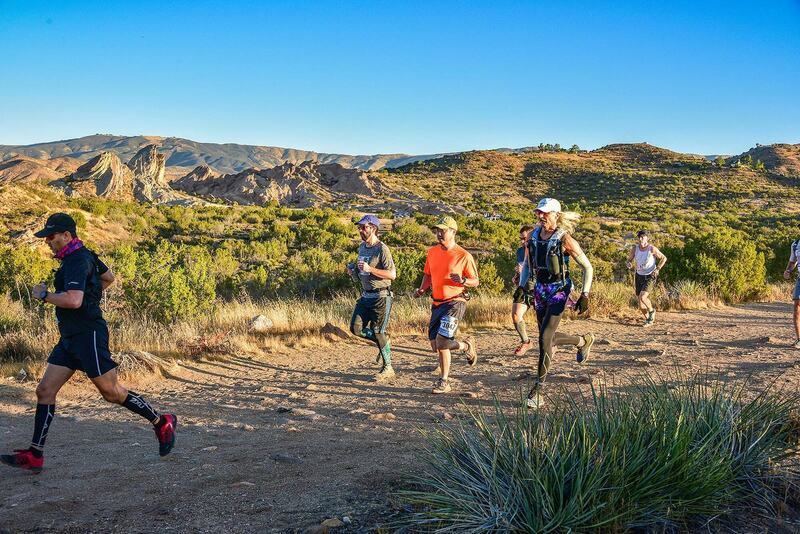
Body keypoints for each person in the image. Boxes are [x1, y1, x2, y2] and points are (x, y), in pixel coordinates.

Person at [1, 213, 177, 473]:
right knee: (44, 391)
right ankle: (35, 455)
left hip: (88, 335)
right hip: (70, 337)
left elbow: (73, 300)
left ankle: (162, 421)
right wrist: (91, 294)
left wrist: (45, 295)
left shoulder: (77, 260)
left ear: (67, 236)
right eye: (46, 237)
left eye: (51, 236)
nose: (47, 241)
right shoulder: (86, 255)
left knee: (111, 392)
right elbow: (109, 277)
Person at [525, 198, 595, 409]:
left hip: (558, 290)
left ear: (556, 214)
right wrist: (523, 288)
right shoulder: (533, 237)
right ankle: (582, 341)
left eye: (545, 213)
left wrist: (585, 294)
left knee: (545, 337)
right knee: (548, 339)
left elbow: (588, 267)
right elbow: (529, 267)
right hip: (540, 290)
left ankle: (538, 389)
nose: (541, 216)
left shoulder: (565, 239)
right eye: (539, 212)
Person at [414, 215, 479, 394]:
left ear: (453, 232)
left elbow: (475, 281)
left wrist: (464, 280)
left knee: (443, 342)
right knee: (436, 346)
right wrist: (421, 290)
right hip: (437, 303)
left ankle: (444, 381)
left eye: (443, 230)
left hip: (455, 302)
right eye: (437, 230)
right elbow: (428, 275)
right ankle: (466, 346)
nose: (439, 233)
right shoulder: (432, 252)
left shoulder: (463, 255)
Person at [347, 214, 397, 380]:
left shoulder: (382, 249)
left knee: (378, 331)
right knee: (355, 328)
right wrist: (353, 272)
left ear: (373, 228)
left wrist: (370, 269)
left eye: (364, 227)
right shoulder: (362, 248)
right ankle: (384, 341)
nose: (361, 230)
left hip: (381, 296)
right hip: (365, 296)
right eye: (360, 228)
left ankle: (388, 367)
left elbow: (392, 274)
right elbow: (360, 274)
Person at [626, 230, 667, 327]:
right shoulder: (635, 249)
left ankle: (652, 312)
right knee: (640, 303)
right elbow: (629, 260)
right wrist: (628, 263)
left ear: (647, 238)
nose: (641, 239)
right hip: (639, 275)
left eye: (643, 237)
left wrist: (657, 269)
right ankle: (649, 319)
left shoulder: (652, 249)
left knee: (643, 297)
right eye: (639, 237)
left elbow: (664, 258)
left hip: (650, 275)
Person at [511, 225, 536, 355]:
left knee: (544, 321)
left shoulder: (538, 249)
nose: (522, 241)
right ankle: (526, 342)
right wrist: (517, 277)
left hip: (538, 287)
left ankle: (552, 344)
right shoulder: (520, 251)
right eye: (520, 238)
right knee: (516, 315)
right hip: (524, 287)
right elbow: (522, 267)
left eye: (524, 238)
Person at [783, 239, 800, 348]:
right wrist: (788, 270)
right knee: (797, 307)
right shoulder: (795, 244)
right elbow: (792, 262)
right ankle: (799, 339)